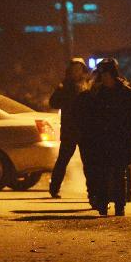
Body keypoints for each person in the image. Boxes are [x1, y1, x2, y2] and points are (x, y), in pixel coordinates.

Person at [77, 58, 131, 216]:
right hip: (102, 140)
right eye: (102, 75)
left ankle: (120, 205)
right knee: (102, 173)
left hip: (120, 140)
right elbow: (89, 116)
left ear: (113, 74)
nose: (104, 78)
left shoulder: (126, 94)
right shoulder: (97, 94)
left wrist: (125, 130)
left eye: (106, 74)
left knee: (119, 173)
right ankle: (103, 203)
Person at [47, 58, 89, 198]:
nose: (77, 72)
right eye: (74, 69)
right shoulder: (65, 86)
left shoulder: (87, 85)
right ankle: (54, 189)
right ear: (69, 71)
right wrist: (62, 93)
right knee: (63, 160)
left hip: (84, 129)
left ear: (83, 71)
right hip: (70, 129)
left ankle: (92, 190)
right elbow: (53, 103)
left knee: (88, 161)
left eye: (79, 69)